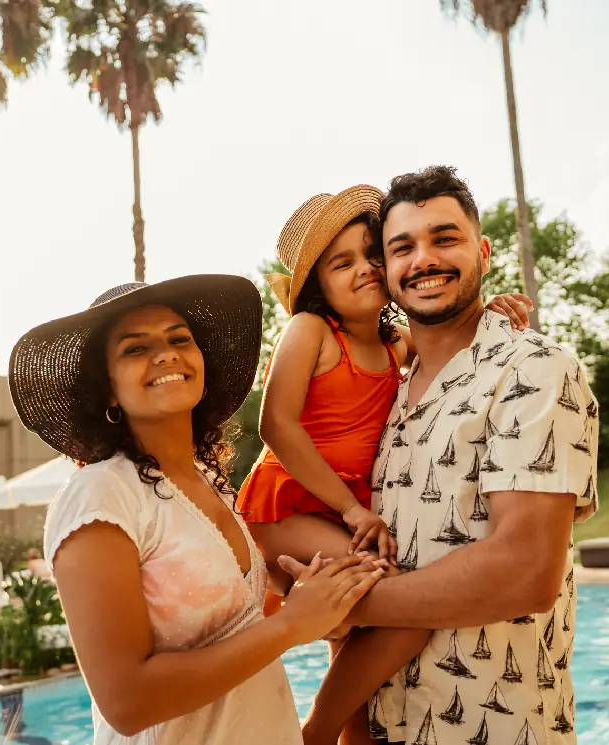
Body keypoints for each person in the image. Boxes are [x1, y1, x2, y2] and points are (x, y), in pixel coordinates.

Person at [281, 166, 600, 745]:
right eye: (401, 247)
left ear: (481, 250)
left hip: (494, 726)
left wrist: (336, 606)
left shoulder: (533, 369)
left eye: (444, 238)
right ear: (388, 271)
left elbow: (526, 573)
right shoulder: (391, 388)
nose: (423, 259)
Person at [8, 274, 386, 745]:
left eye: (178, 339)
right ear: (107, 390)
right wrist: (292, 626)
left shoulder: (210, 485)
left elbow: (233, 632)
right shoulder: (101, 494)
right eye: (134, 348)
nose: (165, 353)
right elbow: (127, 702)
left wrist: (312, 602)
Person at [236, 187, 532, 744]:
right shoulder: (312, 332)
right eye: (340, 263)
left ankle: (346, 734)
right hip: (286, 507)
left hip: (347, 510)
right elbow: (276, 426)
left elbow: (453, 336)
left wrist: (488, 311)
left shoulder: (397, 344)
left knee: (358, 665)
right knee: (407, 603)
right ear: (316, 287)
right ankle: (312, 734)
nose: (365, 269)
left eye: (372, 255)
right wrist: (350, 509)